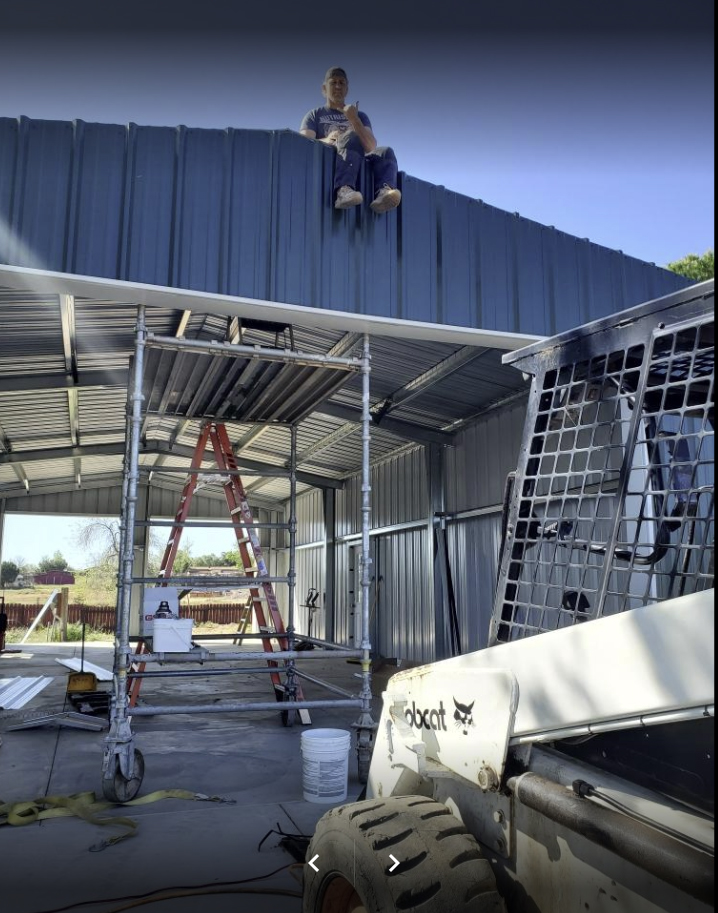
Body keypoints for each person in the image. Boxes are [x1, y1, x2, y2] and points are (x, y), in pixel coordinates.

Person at [300, 67, 402, 213]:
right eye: (333, 82)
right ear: (324, 88)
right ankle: (343, 191)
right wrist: (326, 140)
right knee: (351, 137)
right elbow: (303, 142)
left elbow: (371, 146)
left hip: (358, 157)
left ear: (347, 88)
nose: (337, 86)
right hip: (334, 157)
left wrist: (354, 120)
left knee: (386, 152)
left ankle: (383, 195)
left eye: (341, 83)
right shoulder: (314, 115)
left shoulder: (360, 115)